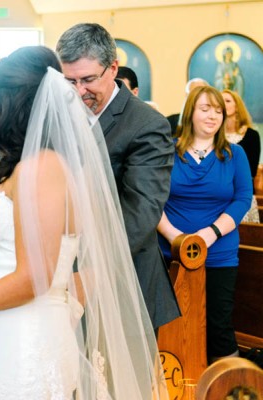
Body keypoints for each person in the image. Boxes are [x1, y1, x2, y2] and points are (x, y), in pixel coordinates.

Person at [0, 46, 166, 399]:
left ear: (9, 104)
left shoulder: (41, 168)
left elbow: (33, 278)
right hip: (4, 326)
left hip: (22, 333)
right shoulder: (32, 165)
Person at [56, 22, 180, 330]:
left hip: (123, 278)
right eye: (69, 80)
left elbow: (141, 211)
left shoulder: (146, 124)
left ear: (113, 68)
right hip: (63, 273)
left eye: (87, 79)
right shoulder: (62, 113)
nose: (78, 90)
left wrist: (89, 272)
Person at [157, 85, 252, 363]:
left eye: (218, 110)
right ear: (190, 113)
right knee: (168, 323)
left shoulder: (235, 155)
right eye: (205, 109)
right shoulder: (167, 151)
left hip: (219, 254)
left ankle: (224, 387)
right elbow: (153, 198)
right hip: (168, 253)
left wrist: (210, 234)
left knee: (218, 325)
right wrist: (176, 238)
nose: (213, 116)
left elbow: (242, 198)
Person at [222, 89, 261, 223]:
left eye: (227, 101)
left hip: (242, 194)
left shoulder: (251, 135)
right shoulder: (214, 135)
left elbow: (251, 171)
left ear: (237, 106)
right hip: (219, 195)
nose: (223, 104)